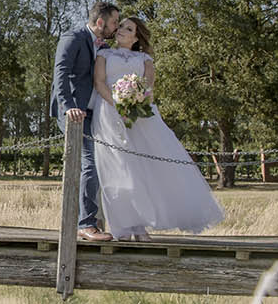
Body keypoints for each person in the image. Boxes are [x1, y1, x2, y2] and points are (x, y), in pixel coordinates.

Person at [90, 16, 224, 240]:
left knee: (143, 168)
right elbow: (100, 82)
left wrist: (133, 103)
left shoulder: (145, 59)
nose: (122, 30)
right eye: (121, 26)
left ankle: (140, 225)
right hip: (109, 113)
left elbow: (148, 86)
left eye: (128, 28)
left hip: (139, 116)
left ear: (136, 37)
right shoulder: (104, 54)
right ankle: (121, 226)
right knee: (118, 169)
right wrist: (117, 104)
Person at [52, 2, 121, 242]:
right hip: (73, 113)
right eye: (114, 22)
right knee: (90, 163)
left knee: (103, 164)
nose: (116, 27)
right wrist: (69, 107)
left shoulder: (104, 46)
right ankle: (86, 224)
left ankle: (97, 220)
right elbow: (60, 73)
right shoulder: (73, 38)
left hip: (94, 113)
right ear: (100, 22)